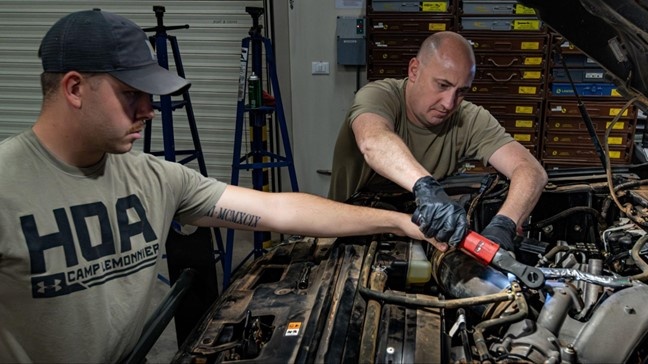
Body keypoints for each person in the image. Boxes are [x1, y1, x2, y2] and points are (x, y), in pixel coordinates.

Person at [0, 9, 444, 363]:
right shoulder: (7, 185)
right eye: (131, 93)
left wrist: (400, 222)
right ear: (75, 88)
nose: (149, 109)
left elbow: (279, 211)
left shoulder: (155, 178)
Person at [329, 31, 548, 250]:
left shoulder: (468, 118)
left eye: (461, 91)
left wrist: (505, 223)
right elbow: (374, 141)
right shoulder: (379, 96)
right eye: (442, 85)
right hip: (349, 233)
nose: (449, 103)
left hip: (423, 237)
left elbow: (531, 170)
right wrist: (426, 187)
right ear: (414, 70)